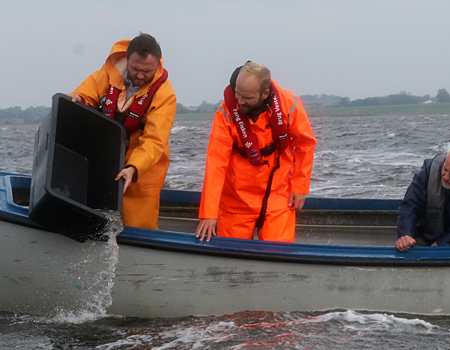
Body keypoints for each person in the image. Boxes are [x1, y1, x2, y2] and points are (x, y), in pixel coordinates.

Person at [195, 61, 316, 242]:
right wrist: (209, 213)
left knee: (279, 256)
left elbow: (305, 144)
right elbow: (216, 163)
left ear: (265, 93)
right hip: (236, 200)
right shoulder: (225, 113)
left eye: (248, 98)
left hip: (279, 195)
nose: (240, 101)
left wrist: (299, 187)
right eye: (237, 94)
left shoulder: (289, 104)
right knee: (230, 259)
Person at [66, 33, 177, 230]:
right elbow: (86, 95)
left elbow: (155, 141)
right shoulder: (108, 73)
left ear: (158, 64)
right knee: (92, 220)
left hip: (142, 174)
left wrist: (133, 168)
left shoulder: (165, 95)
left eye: (147, 71)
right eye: (136, 69)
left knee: (139, 230)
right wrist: (78, 98)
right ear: (128, 58)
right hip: (103, 160)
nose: (141, 76)